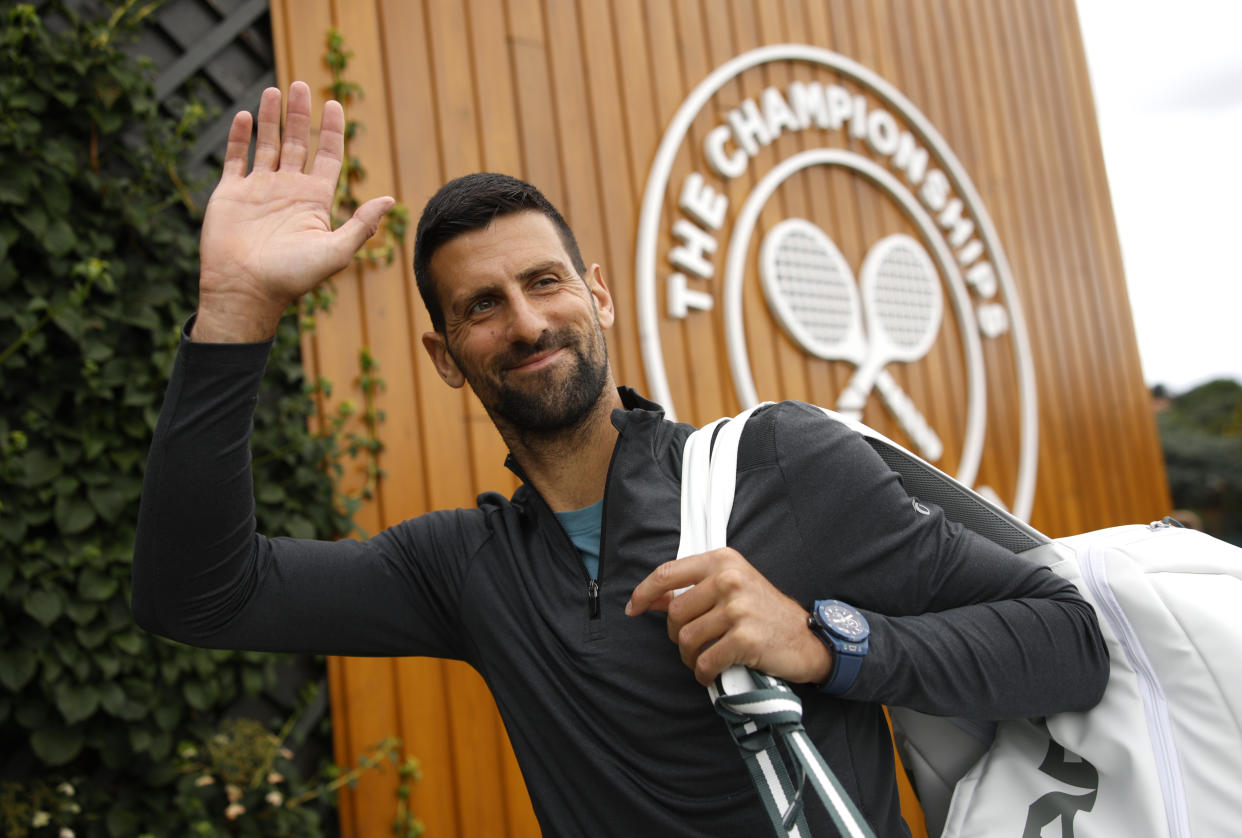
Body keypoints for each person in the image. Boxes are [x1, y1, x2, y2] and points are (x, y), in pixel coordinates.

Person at [132, 83, 1109, 837]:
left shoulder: (783, 463)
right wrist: (237, 307)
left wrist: (825, 641)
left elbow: (1069, 641)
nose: (524, 321)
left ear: (598, 295)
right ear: (445, 358)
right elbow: (199, 597)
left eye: (544, 281)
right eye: (480, 306)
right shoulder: (464, 569)